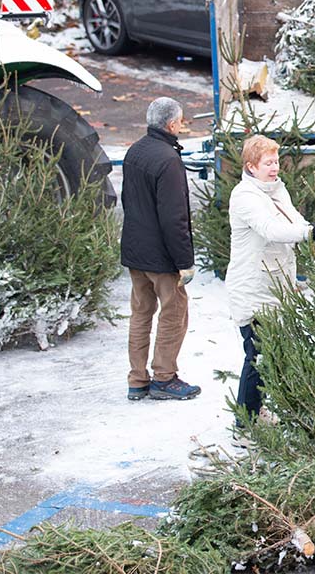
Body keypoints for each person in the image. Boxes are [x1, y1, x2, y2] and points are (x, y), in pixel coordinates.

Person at [224, 135, 315, 443]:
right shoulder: (245, 197)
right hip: (253, 288)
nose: (274, 168)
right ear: (251, 166)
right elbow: (271, 229)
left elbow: (293, 220)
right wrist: (310, 233)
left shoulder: (276, 189)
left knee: (268, 354)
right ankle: (244, 423)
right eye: (268, 163)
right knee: (257, 354)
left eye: (276, 162)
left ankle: (256, 409)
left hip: (275, 286)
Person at [121, 97, 199, 401]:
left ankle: (137, 379)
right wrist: (184, 262)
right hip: (161, 257)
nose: (181, 125)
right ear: (171, 124)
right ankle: (164, 377)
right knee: (174, 313)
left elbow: (130, 202)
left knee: (140, 314)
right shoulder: (168, 160)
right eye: (180, 120)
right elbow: (173, 218)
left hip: (135, 252)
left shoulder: (135, 151)